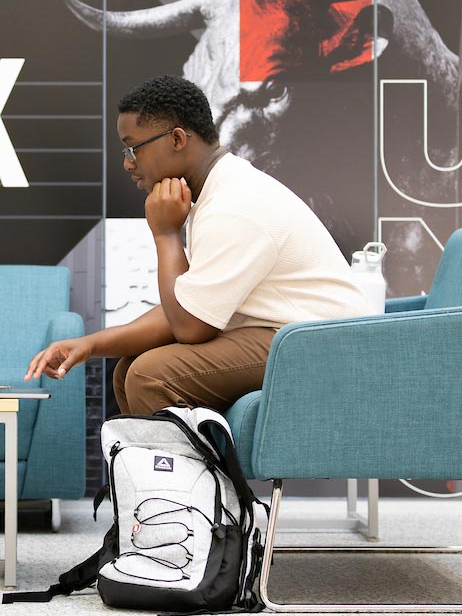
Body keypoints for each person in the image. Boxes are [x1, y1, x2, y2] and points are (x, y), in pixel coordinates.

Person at [24, 74, 372, 414]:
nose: (127, 163)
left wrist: (165, 235)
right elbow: (188, 307)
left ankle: (198, 474)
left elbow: (190, 326)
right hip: (290, 335)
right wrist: (90, 344)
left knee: (150, 376)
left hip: (323, 346)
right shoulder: (219, 191)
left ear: (177, 139)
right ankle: (169, 471)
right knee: (128, 368)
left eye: (133, 148)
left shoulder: (233, 205)